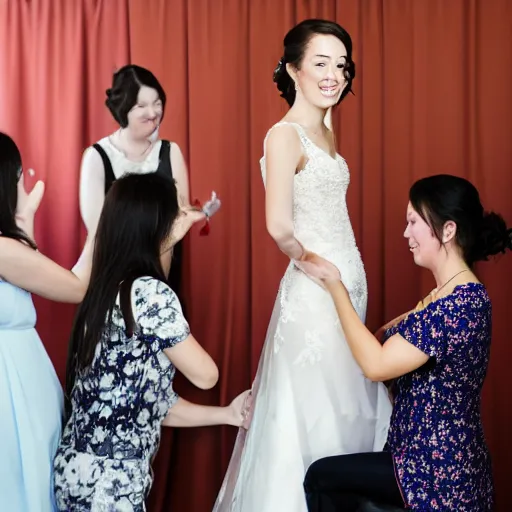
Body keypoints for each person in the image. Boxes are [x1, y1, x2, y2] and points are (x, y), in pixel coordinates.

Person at [213, 19, 392, 512]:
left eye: (341, 65)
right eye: (321, 63)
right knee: (308, 412)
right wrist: (310, 262)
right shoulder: (284, 134)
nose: (334, 74)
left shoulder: (327, 127)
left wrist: (344, 276)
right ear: (293, 69)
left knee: (343, 407)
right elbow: (278, 226)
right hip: (314, 299)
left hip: (347, 291)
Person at [301, 174, 511, 511]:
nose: (405, 233)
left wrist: (335, 286)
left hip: (438, 474)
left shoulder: (462, 304)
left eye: (413, 221)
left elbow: (376, 364)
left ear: (447, 230)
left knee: (321, 478)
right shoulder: (441, 298)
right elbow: (380, 347)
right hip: (417, 463)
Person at [53, 173, 251, 511]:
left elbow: (149, 405)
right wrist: (168, 243)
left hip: (75, 473)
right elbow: (206, 375)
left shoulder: (102, 291)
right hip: (112, 485)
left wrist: (227, 414)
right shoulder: (150, 294)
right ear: (157, 226)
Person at [0, 132, 92, 512]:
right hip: (11, 389)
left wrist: (25, 217)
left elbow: (26, 277)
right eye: (19, 175)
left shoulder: (8, 247)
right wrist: (103, 225)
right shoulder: (2, 249)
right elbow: (75, 288)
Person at [78, 64, 190, 294]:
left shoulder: (171, 152)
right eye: (142, 105)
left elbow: (181, 214)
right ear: (123, 108)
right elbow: (97, 228)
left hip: (163, 272)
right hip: (113, 275)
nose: (153, 113)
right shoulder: (97, 156)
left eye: (157, 103)